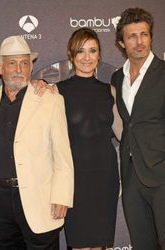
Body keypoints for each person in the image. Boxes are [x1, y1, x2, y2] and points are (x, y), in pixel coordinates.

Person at [0, 35, 74, 249]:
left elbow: (62, 154)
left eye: (25, 63)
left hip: (38, 198)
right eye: (12, 63)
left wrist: (61, 196)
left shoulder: (50, 99)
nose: (19, 69)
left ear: (31, 67)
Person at [56, 28, 122, 250]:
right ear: (71, 55)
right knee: (80, 245)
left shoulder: (109, 91)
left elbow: (124, 134)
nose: (87, 57)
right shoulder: (57, 92)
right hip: (74, 179)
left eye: (92, 50)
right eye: (81, 51)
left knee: (100, 245)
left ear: (99, 55)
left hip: (105, 177)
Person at [111, 7, 165, 250]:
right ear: (122, 43)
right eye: (132, 36)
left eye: (144, 34)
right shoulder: (117, 78)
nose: (139, 41)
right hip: (131, 177)